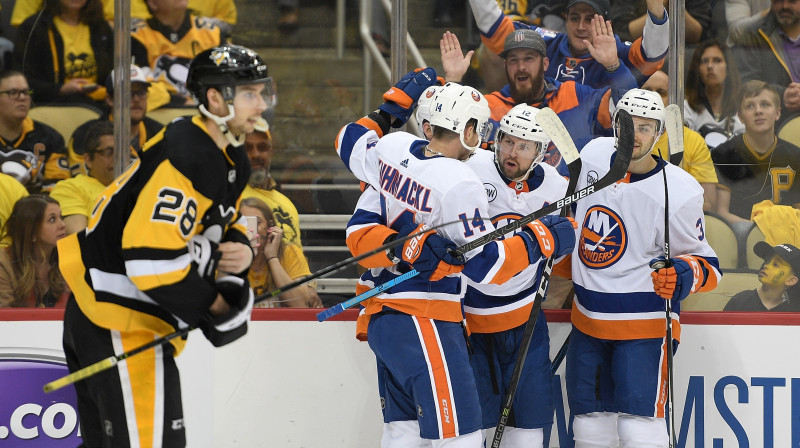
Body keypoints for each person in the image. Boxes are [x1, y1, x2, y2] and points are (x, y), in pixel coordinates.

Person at [338, 74, 576, 446]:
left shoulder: (392, 147)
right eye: (479, 130)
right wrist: (542, 237)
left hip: (380, 315)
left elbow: (349, 149)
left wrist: (392, 107)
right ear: (467, 131)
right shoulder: (460, 181)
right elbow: (490, 267)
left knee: (402, 433)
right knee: (461, 437)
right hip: (426, 315)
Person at [58, 44, 268, 446]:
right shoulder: (187, 156)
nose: (261, 103)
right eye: (249, 94)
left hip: (104, 313)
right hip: (119, 320)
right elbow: (149, 261)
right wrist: (220, 307)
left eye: (262, 92)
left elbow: (227, 217)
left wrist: (238, 245)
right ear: (214, 98)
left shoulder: (224, 154)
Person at [566, 89, 721, 447]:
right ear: (614, 123)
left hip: (644, 325)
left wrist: (683, 273)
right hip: (587, 320)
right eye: (627, 124)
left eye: (646, 127)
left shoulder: (680, 190)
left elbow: (708, 265)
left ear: (659, 134)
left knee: (640, 427)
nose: (634, 134)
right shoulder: (592, 155)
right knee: (589, 426)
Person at [462, 104, 570, 447]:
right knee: (474, 425)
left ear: (540, 152)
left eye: (524, 146)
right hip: (471, 321)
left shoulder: (557, 188)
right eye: (508, 142)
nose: (513, 152)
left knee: (528, 424)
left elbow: (566, 250)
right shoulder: (470, 167)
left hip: (525, 319)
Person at [441, 28, 635, 176]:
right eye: (513, 60)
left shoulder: (575, 95)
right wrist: (453, 81)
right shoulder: (487, 107)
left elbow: (627, 108)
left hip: (564, 213)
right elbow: (445, 143)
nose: (521, 67)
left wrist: (613, 65)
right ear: (505, 66)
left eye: (529, 59)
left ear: (545, 64)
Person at [467, 0, 668, 89]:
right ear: (566, 19)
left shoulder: (620, 52)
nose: (580, 27)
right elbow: (494, 28)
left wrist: (657, 15)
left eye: (590, 19)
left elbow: (653, 54)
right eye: (574, 18)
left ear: (607, 24)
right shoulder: (545, 43)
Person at [712, 80, 800, 225]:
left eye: (765, 104)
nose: (758, 111)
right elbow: (722, 213)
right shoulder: (724, 153)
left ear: (777, 113)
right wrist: (757, 229)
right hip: (742, 233)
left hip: (785, 233)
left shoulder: (796, 156)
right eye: (750, 106)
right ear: (740, 116)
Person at [66, 64, 164, 176]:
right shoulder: (85, 135)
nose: (136, 99)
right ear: (110, 99)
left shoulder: (161, 134)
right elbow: (83, 183)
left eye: (141, 93)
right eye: (128, 93)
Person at [642, 69, 719, 211]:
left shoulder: (693, 141)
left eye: (661, 92)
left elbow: (708, 203)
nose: (653, 98)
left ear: (672, 100)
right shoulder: (623, 137)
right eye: (647, 91)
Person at [13, 0, 113, 107]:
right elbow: (22, 78)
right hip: (53, 105)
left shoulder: (100, 26)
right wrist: (60, 90)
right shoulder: (35, 27)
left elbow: (113, 71)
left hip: (99, 104)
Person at [131, 0, 230, 108]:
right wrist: (179, 102)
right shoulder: (137, 37)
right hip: (159, 113)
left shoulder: (212, 34)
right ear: (152, 3)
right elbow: (135, 88)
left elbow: (227, 81)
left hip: (207, 112)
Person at [240, 196, 321, 308]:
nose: (250, 230)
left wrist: (272, 258)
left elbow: (300, 305)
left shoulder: (290, 252)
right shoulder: (226, 253)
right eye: (243, 223)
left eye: (256, 222)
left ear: (270, 226)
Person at [0, 70, 70, 193]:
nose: (22, 97)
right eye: (13, 92)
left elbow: (58, 190)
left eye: (25, 92)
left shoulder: (50, 138)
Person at [734, 0, 800, 124]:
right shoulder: (753, 36)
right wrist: (781, 96)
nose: (784, 6)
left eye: (792, 1)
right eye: (778, 1)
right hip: (774, 125)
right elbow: (743, 83)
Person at [242, 120, 303, 246]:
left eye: (262, 147)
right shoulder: (232, 199)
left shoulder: (286, 204)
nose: (255, 154)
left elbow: (298, 262)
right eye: (247, 148)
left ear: (271, 152)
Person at [0, 195, 68, 308]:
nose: (62, 225)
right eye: (52, 220)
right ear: (31, 232)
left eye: (61, 217)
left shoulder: (70, 259)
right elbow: (4, 317)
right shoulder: (3, 264)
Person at [50, 121, 115, 235]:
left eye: (123, 152)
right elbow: (80, 241)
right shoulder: (70, 188)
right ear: (88, 159)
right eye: (109, 152)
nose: (117, 158)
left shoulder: (140, 186)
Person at [684, 39, 745, 146]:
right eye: (704, 61)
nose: (710, 66)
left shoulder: (743, 108)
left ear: (728, 67)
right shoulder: (686, 108)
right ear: (697, 69)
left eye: (717, 60)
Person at [724, 241, 800, 311]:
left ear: (791, 280)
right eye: (767, 261)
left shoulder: (794, 311)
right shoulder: (740, 301)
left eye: (775, 265)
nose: (766, 265)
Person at [611, 0, 712, 44]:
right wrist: (659, 7)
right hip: (640, 54)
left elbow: (698, 34)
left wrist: (676, 4)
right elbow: (624, 31)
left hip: (683, 55)